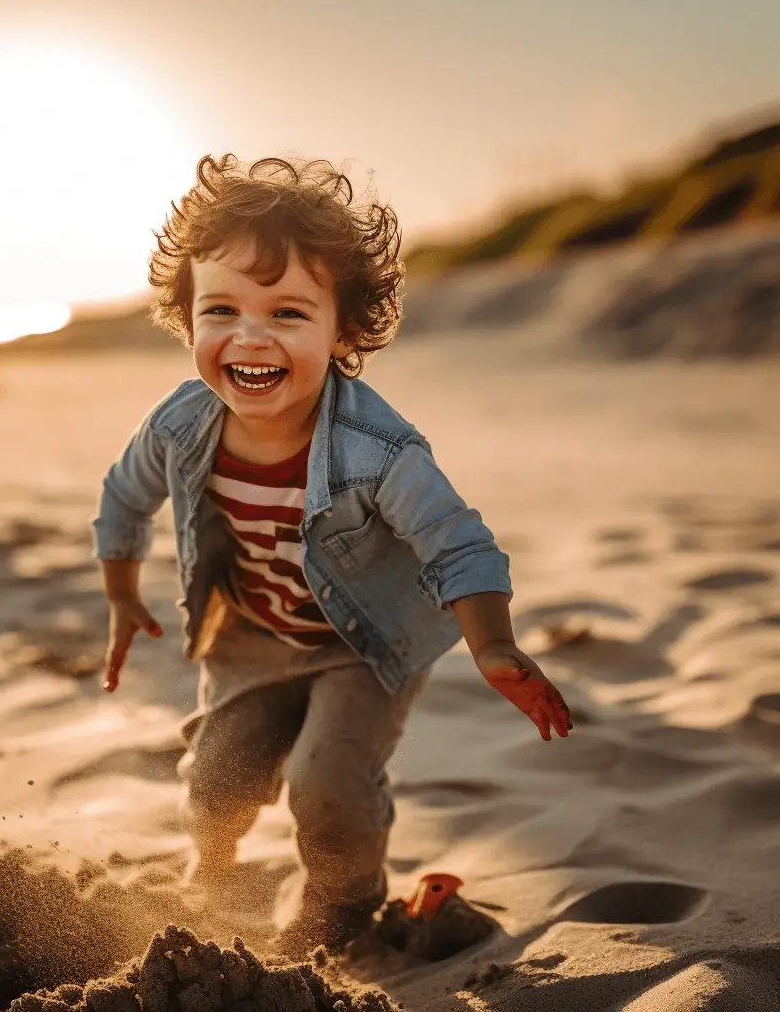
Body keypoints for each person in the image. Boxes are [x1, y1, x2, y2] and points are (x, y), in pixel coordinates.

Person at [93, 155, 573, 955]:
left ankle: (345, 907)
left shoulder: (375, 450)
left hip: (364, 645)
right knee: (216, 780)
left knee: (327, 790)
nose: (250, 336)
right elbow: (123, 494)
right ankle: (214, 872)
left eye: (287, 313)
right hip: (252, 635)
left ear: (344, 330)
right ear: (187, 320)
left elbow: (458, 542)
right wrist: (119, 592)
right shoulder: (181, 424)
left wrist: (492, 644)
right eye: (221, 310)